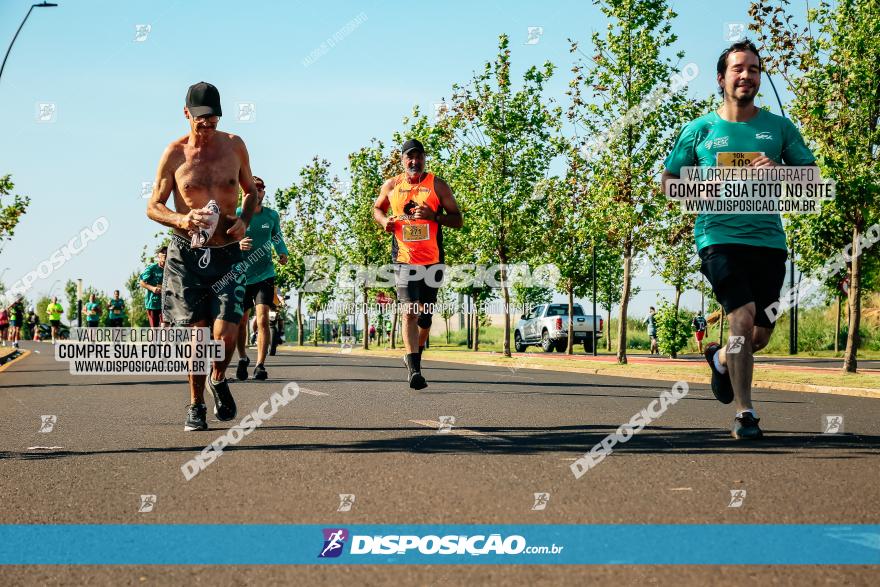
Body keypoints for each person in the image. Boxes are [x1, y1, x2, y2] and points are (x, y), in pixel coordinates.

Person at [661, 40, 816, 440]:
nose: (746, 74)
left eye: (753, 68)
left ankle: (722, 362)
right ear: (721, 77)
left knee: (758, 334)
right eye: (738, 68)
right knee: (741, 315)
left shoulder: (779, 128)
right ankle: (746, 413)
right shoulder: (699, 130)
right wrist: (704, 188)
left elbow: (810, 181)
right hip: (717, 237)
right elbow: (669, 184)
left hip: (768, 242)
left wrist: (777, 173)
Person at [146, 81, 257, 432]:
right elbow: (153, 206)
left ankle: (218, 378)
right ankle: (196, 405)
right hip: (186, 255)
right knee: (197, 339)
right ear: (186, 114)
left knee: (225, 336)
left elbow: (250, 192)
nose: (207, 127)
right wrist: (180, 218)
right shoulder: (174, 154)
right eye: (201, 120)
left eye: (213, 119)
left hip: (226, 252)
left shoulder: (235, 146)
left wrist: (244, 220)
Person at [373, 138, 462, 390]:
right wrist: (383, 222)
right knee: (409, 311)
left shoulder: (437, 185)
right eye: (410, 157)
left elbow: (458, 220)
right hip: (403, 259)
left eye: (419, 157)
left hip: (432, 261)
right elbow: (377, 208)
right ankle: (414, 370)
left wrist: (434, 216)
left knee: (425, 318)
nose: (415, 161)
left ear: (424, 159)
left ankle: (413, 355)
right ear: (402, 161)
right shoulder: (392, 185)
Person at [234, 175, 288, 381]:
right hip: (241, 276)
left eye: (260, 189)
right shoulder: (236, 214)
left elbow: (277, 237)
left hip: (265, 274)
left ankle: (260, 365)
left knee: (263, 319)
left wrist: (282, 252)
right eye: (252, 190)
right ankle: (242, 358)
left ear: (263, 193)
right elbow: (225, 240)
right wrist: (237, 244)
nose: (257, 193)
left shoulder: (271, 216)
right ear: (244, 194)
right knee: (241, 321)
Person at [139, 246, 167, 327]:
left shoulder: (171, 269)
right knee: (155, 330)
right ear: (158, 255)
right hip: (153, 303)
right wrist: (152, 288)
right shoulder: (152, 268)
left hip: (166, 303)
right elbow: (141, 282)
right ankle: (155, 339)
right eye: (162, 253)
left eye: (166, 253)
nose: (165, 254)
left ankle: (164, 339)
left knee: (165, 326)